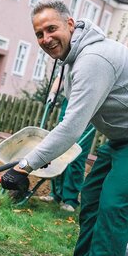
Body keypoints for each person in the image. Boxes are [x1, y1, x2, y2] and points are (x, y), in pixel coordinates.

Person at [1, 1, 128, 256]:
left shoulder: (93, 59)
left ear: (70, 24)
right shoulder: (74, 57)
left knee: (114, 206)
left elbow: (72, 127)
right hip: (126, 137)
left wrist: (25, 165)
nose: (46, 39)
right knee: (92, 197)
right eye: (39, 34)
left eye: (51, 29)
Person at [40, 74, 96, 213]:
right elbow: (62, 76)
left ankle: (70, 199)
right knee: (59, 149)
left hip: (90, 106)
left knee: (77, 154)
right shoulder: (73, 56)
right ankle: (55, 194)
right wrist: (53, 93)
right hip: (70, 102)